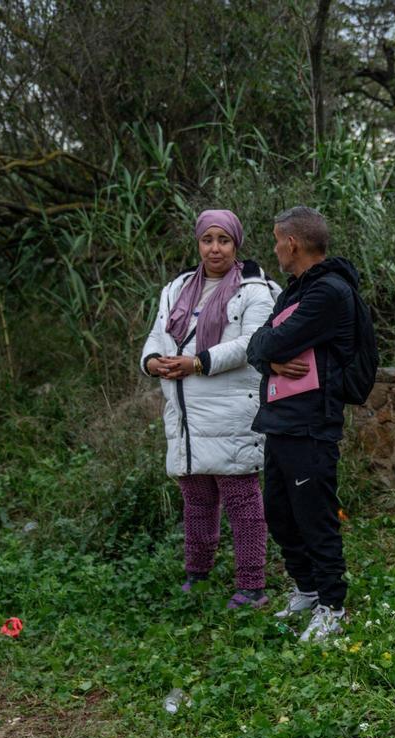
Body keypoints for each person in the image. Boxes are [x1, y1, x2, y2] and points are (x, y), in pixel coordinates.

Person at [140, 209, 278, 609]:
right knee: (197, 500)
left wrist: (196, 362)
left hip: (232, 413)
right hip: (184, 415)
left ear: (236, 245)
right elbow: (158, 335)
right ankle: (196, 577)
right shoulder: (177, 288)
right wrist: (152, 362)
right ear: (198, 243)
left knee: (242, 501)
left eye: (223, 240)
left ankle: (252, 586)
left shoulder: (255, 290)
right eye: (207, 240)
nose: (214, 248)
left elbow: (252, 343)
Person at [246, 206, 359, 642]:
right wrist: (268, 357)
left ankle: (333, 605)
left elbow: (270, 339)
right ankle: (308, 590)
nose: (275, 248)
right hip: (281, 419)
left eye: (277, 240)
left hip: (312, 421)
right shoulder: (295, 291)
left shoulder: (328, 292)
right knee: (279, 510)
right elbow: (261, 345)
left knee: (314, 514)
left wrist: (267, 351)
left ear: (291, 242)